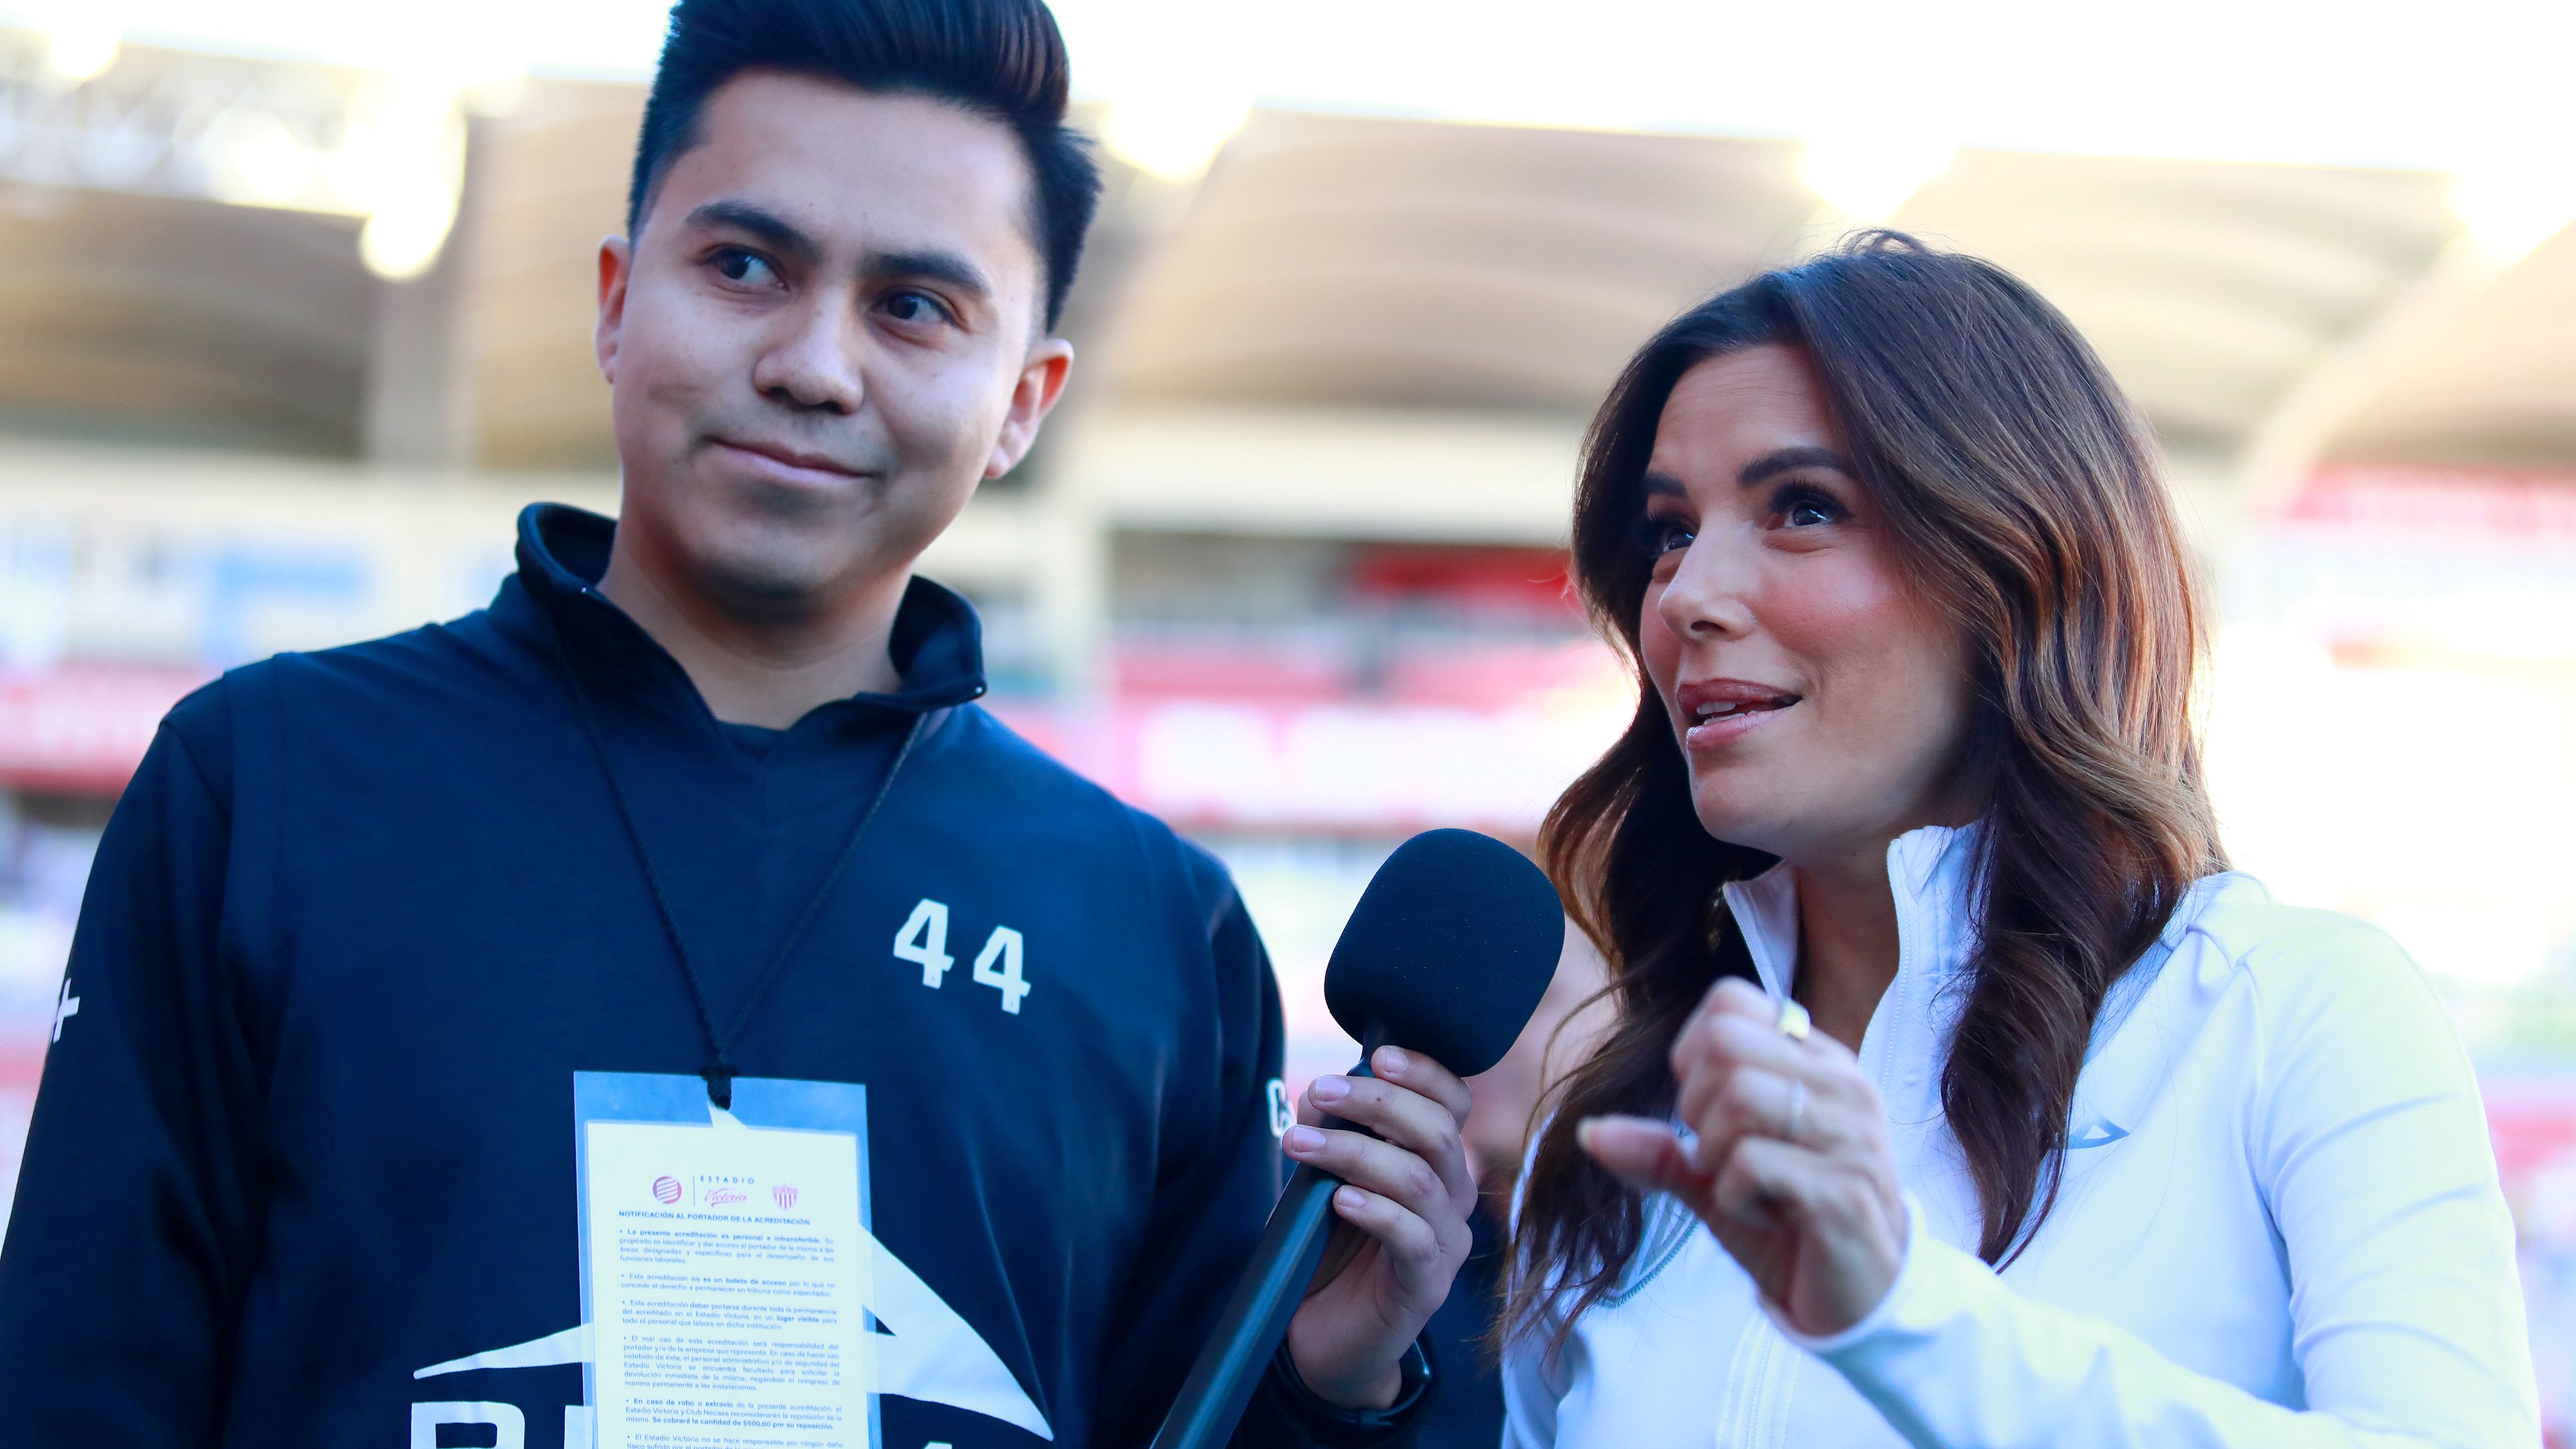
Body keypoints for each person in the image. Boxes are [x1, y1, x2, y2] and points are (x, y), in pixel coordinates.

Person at [0, 3, 1477, 1444]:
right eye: (744, 264)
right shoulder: (265, 785)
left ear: (1022, 402)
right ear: (614, 298)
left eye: (912, 306)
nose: (812, 365)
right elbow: (79, 1384)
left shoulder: (1152, 923)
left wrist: (1326, 1383)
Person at [1500, 233, 2541, 1448]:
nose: (1682, 595)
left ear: (2015, 564)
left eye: (1802, 508)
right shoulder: (1620, 1119)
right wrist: (1353, 1389)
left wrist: (1900, 1313)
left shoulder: (2290, 1007)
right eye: (1669, 529)